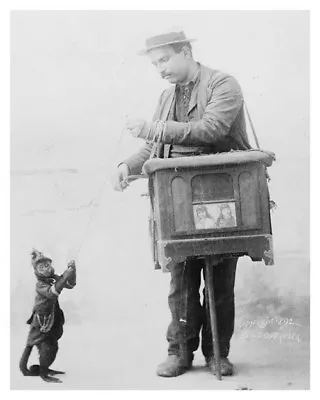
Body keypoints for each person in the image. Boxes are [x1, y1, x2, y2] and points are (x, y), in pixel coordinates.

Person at [112, 30, 251, 378]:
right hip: (178, 199)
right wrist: (126, 166)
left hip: (222, 194)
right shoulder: (166, 96)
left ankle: (218, 353)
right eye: (154, 63)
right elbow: (156, 145)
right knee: (181, 281)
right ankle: (180, 352)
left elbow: (211, 129)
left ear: (186, 51)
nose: (159, 68)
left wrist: (151, 127)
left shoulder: (223, 85)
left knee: (219, 282)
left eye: (164, 59)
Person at [19, 249, 77, 383]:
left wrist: (72, 271)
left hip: (53, 316)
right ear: (36, 271)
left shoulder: (53, 278)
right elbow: (53, 292)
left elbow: (70, 284)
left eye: (47, 265)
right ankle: (43, 373)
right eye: (41, 267)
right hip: (42, 320)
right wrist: (64, 276)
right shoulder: (40, 284)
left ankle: (44, 368)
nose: (45, 268)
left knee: (52, 346)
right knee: (47, 347)